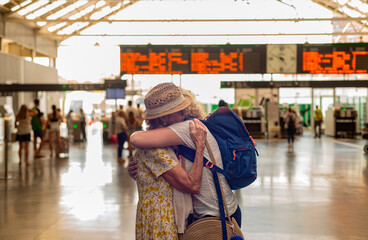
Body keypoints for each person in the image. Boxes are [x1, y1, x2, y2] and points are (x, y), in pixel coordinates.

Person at [129, 83, 241, 237]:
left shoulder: (185, 128)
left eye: (180, 110)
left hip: (213, 216)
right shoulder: (194, 125)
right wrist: (142, 168)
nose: (183, 112)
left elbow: (135, 138)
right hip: (221, 211)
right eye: (178, 110)